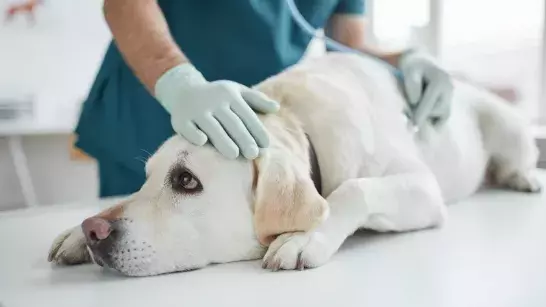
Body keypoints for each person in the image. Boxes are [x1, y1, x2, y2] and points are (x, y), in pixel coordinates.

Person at [75, 0, 453, 197]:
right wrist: (181, 84)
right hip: (147, 112)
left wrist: (404, 62)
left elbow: (348, 45)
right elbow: (125, 5)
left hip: (245, 135)